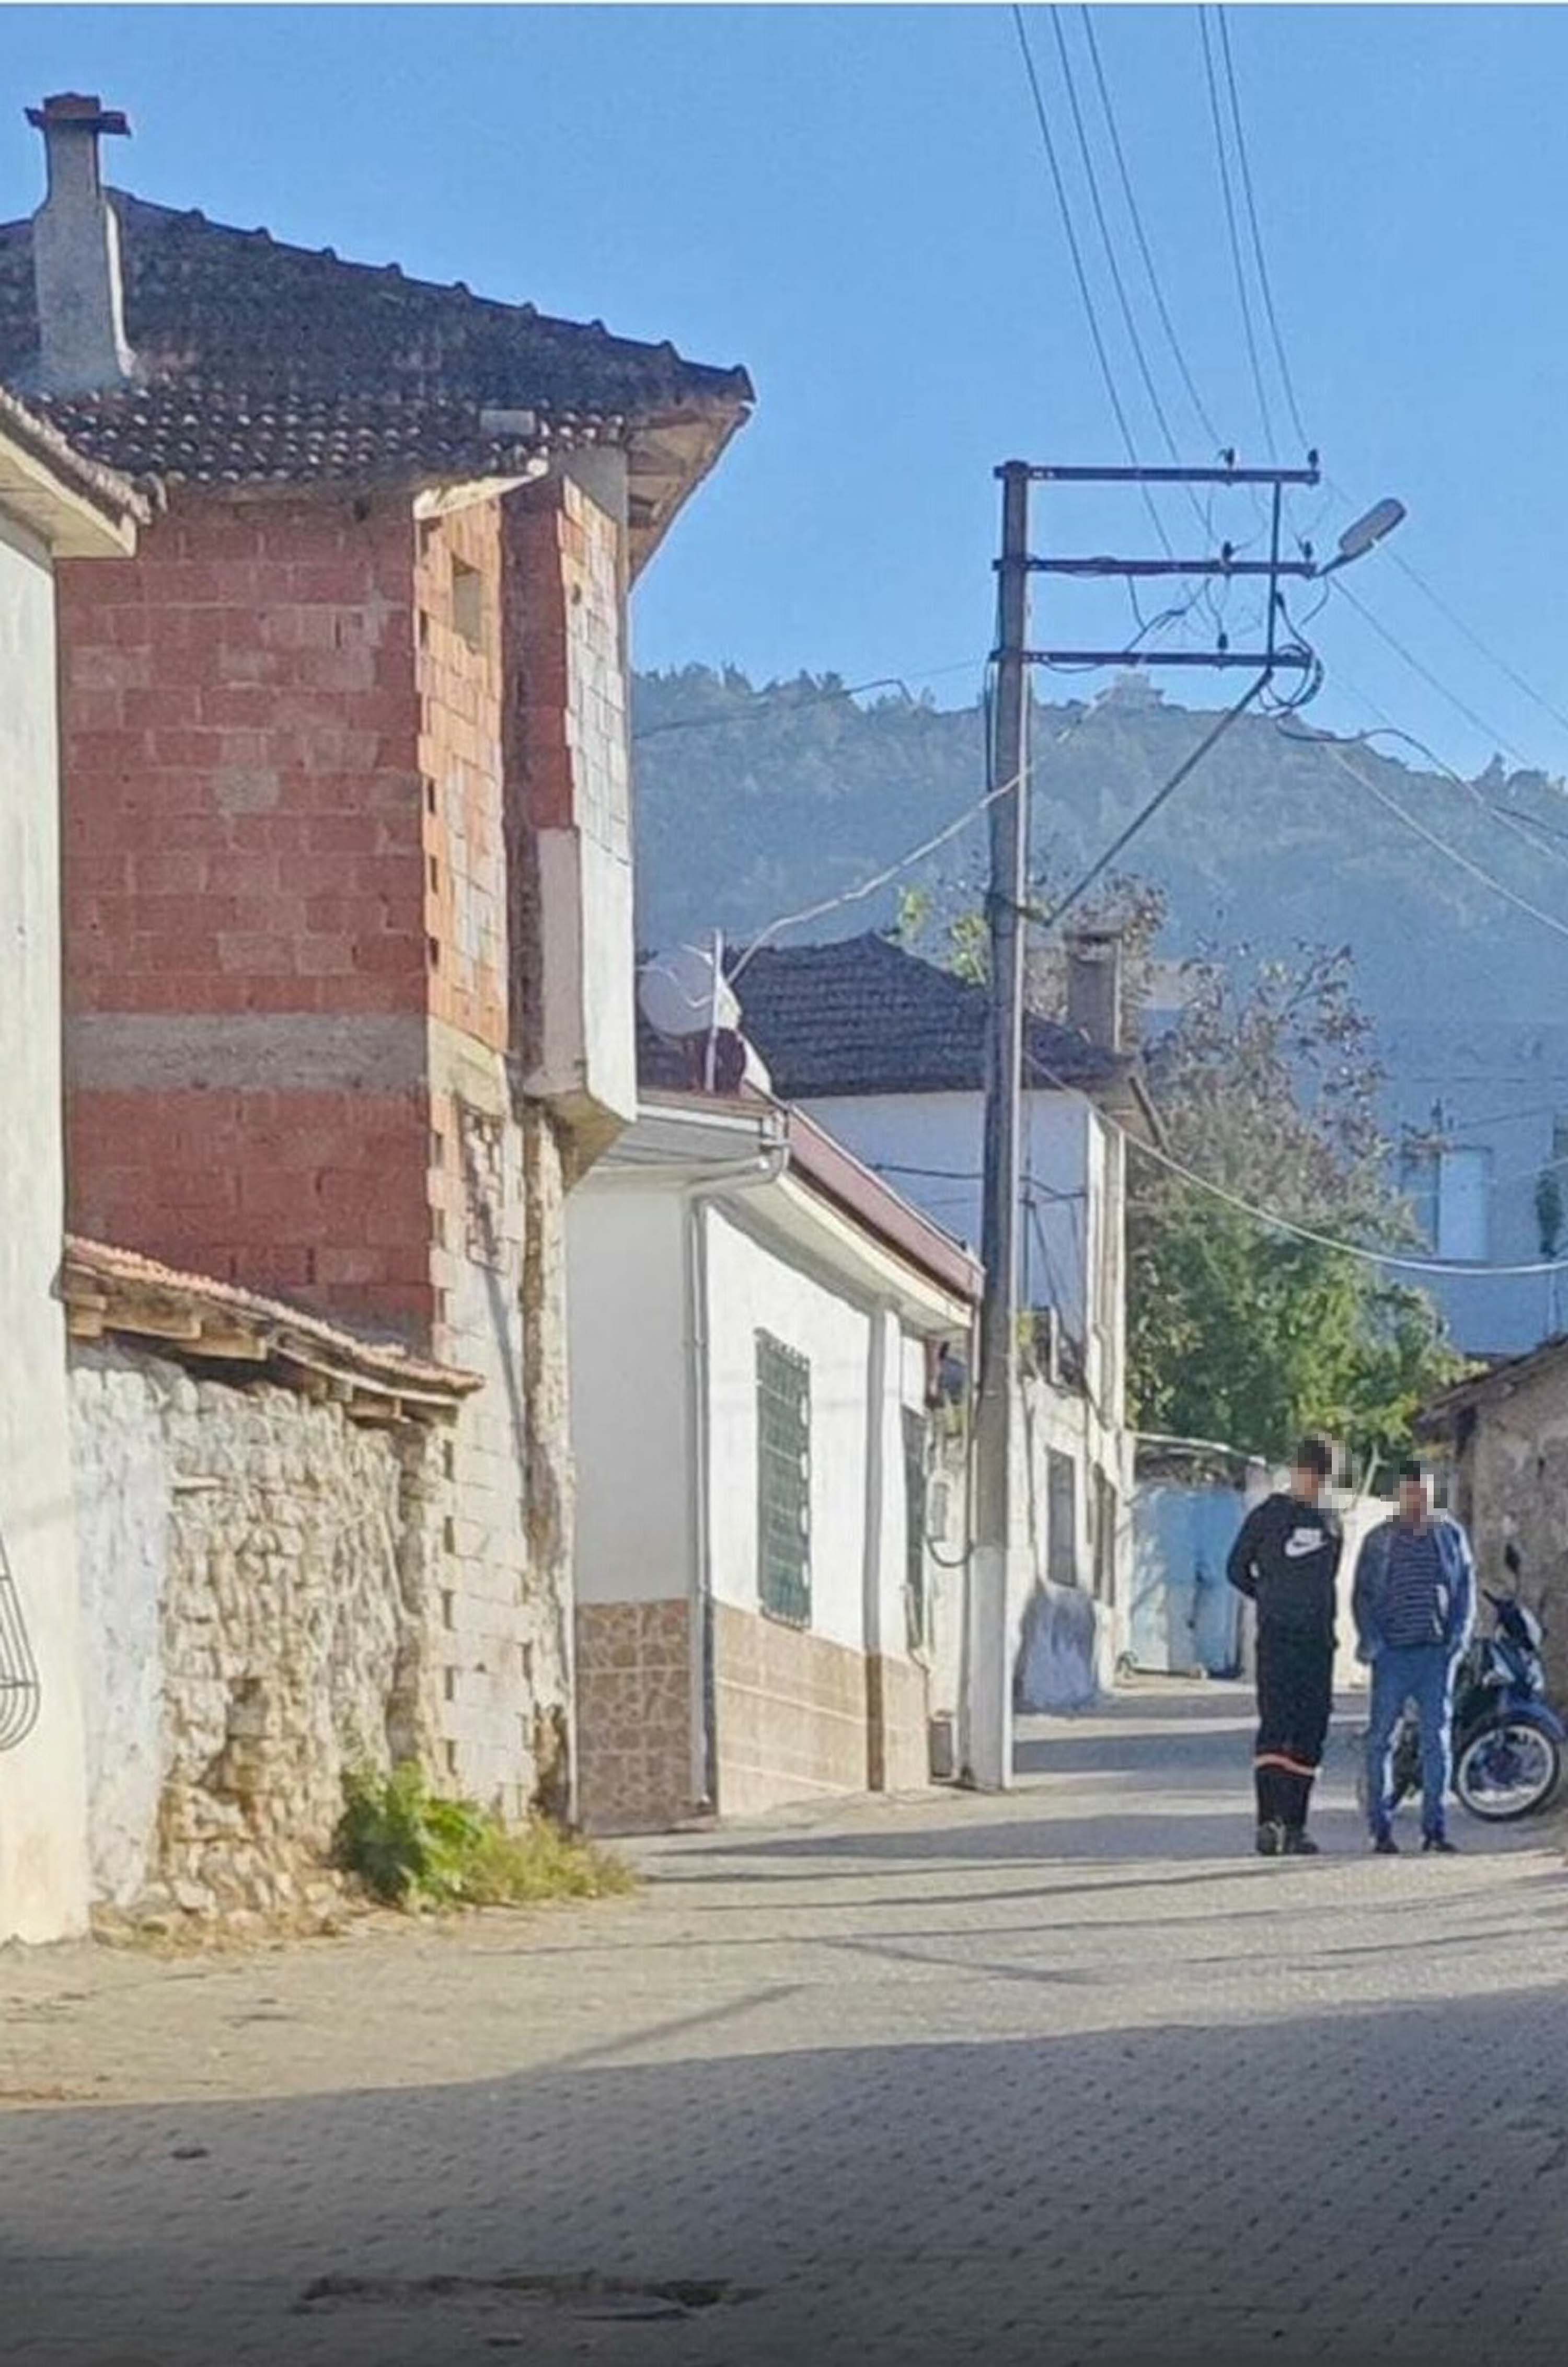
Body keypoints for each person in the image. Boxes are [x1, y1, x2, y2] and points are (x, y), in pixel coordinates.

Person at [1226, 1437, 1342, 1856]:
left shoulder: (1331, 1520)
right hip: (1278, 1638)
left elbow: (1330, 1575)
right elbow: (1236, 1568)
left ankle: (1297, 1825)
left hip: (1318, 1643)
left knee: (1311, 1731)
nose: (1319, 1483)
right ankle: (1268, 1820)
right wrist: (1270, 1597)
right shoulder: (1268, 1516)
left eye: (1325, 1476)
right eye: (1314, 1474)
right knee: (1276, 1727)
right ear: (1299, 1472)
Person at [1353, 1461, 1475, 1855]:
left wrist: (1458, 1639)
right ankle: (1380, 1829)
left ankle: (1435, 1830)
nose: (1417, 1500)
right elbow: (1363, 1595)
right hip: (1392, 1655)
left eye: (1423, 1493)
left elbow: (1464, 1591)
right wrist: (1373, 1642)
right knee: (1381, 1740)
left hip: (1435, 1654)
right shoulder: (1379, 1540)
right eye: (1410, 1493)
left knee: (1437, 1741)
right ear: (1399, 1495)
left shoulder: (1449, 1536)